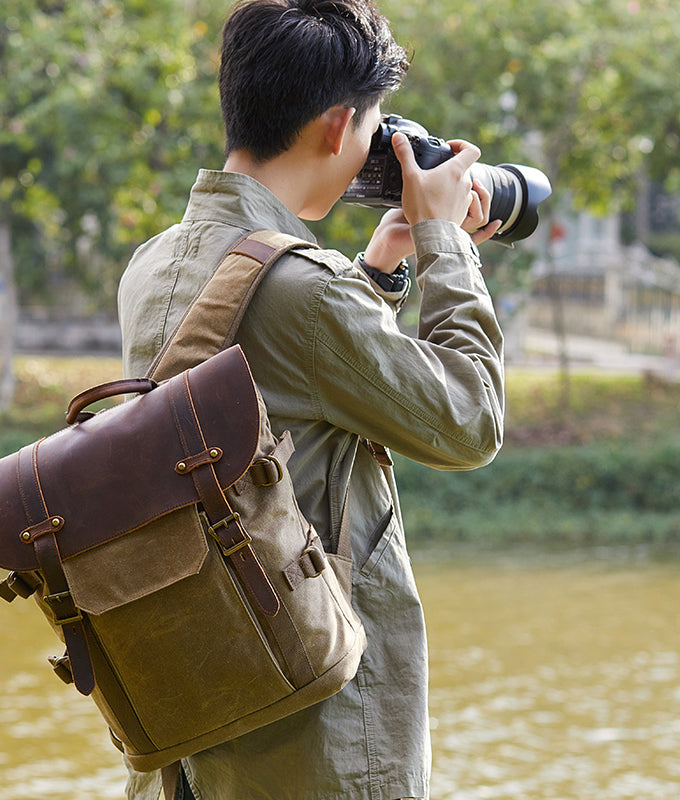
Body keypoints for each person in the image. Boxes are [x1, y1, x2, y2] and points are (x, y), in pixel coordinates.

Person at [117, 1, 505, 798]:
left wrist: (381, 269)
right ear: (337, 127)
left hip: (202, 715)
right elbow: (470, 422)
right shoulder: (302, 289)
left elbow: (276, 387)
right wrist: (447, 246)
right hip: (319, 739)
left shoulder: (154, 264)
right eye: (369, 127)